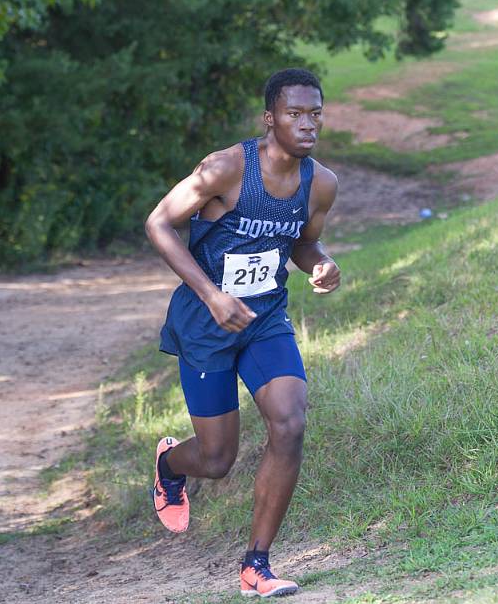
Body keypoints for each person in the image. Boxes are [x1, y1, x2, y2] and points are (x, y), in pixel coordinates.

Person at [144, 67, 340, 599]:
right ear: (269, 118)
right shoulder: (226, 169)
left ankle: (258, 563)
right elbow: (158, 223)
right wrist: (211, 294)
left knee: (290, 422)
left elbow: (301, 243)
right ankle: (169, 463)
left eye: (315, 113)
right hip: (206, 322)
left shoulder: (320, 183)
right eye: (294, 113)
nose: (307, 124)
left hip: (265, 319)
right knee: (217, 459)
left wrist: (319, 263)